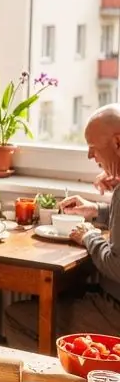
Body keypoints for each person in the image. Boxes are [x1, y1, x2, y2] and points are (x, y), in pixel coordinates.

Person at [7, 105, 120, 348]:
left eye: (93, 148)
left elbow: (117, 266)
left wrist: (90, 236)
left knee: (16, 317)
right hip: (109, 298)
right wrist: (96, 210)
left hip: (115, 312)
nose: (90, 156)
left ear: (118, 142)